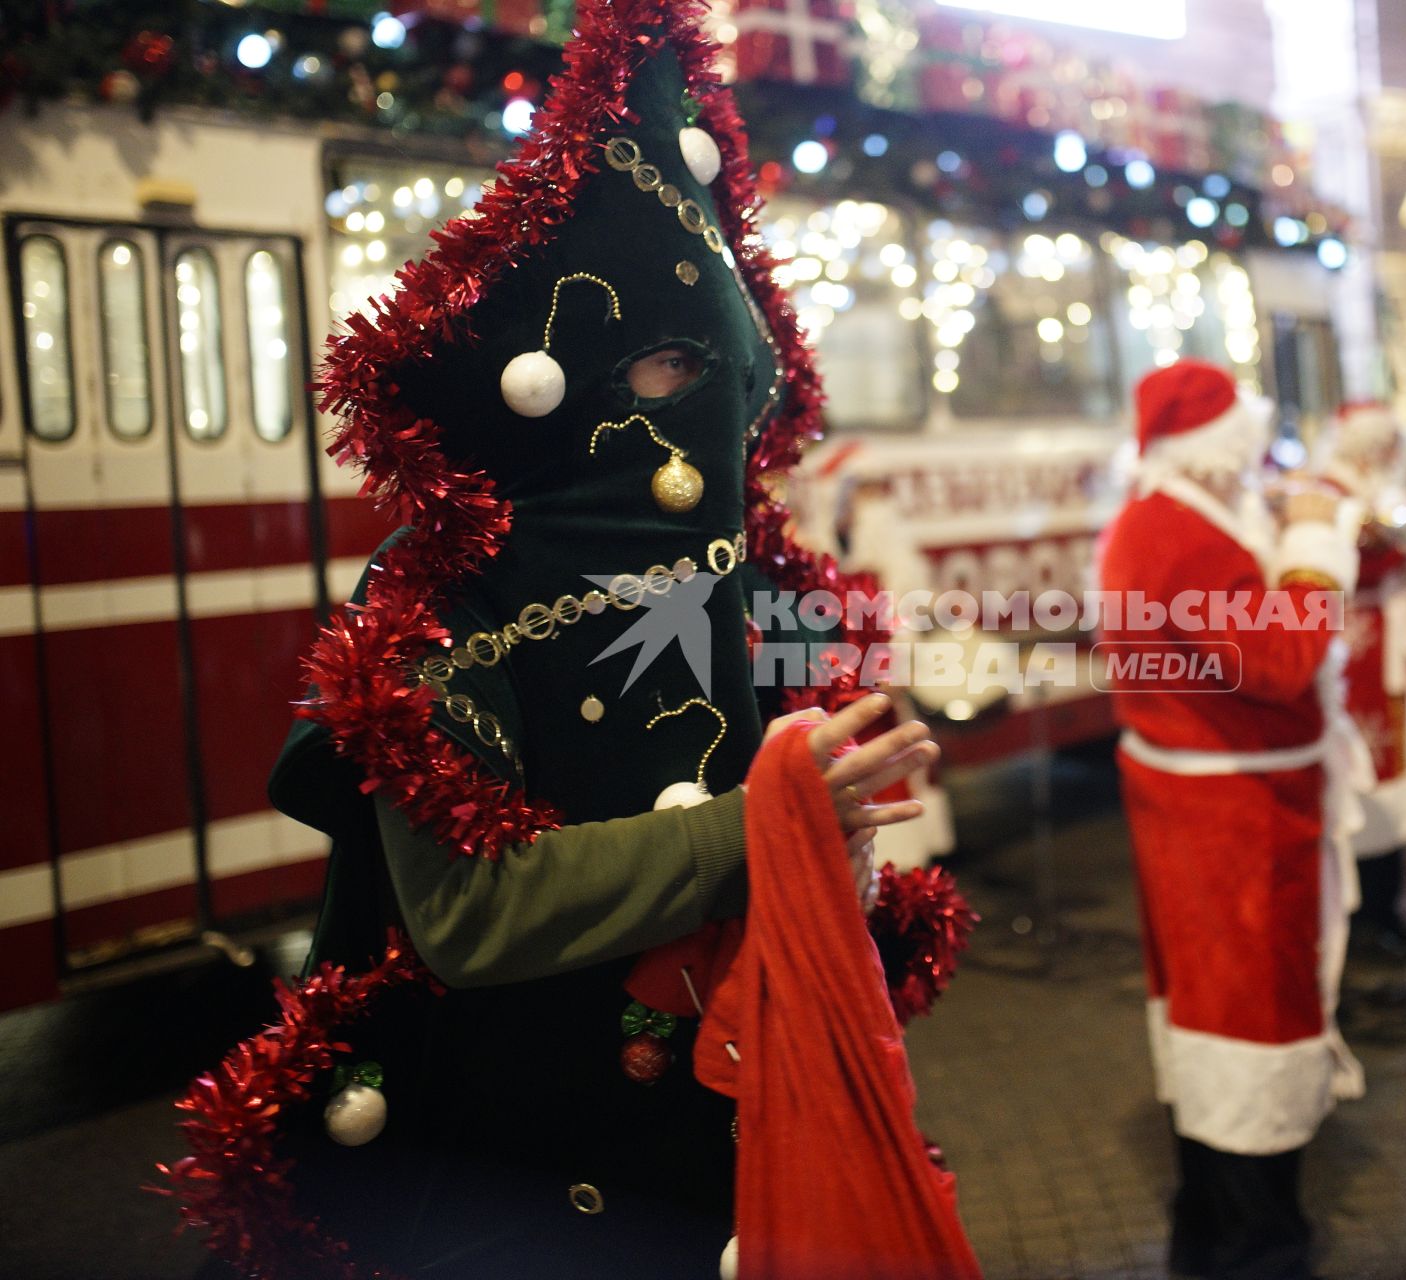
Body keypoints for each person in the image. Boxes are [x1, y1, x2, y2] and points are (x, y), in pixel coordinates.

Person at [161, 7, 977, 1277]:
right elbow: (469, 914)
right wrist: (768, 821)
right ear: (561, 370)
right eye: (662, 365)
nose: (707, 406)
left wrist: (846, 848)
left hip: (719, 1145)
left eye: (724, 372)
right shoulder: (443, 591)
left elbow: (829, 837)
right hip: (503, 1169)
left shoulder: (768, 578)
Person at [1099, 360, 1365, 1280]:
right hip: (1235, 820)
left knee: (1216, 1016)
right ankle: (1260, 1247)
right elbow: (1283, 658)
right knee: (1252, 1018)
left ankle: (1211, 1231)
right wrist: (1314, 546)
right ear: (1219, 447)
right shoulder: (1178, 531)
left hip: (1209, 804)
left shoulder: (1168, 516)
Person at [1315, 403, 1406, 957]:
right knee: (1366, 775)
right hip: (1355, 648)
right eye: (1383, 445)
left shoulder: (1386, 490)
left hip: (1388, 643)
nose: (1389, 455)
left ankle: (1389, 909)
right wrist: (1392, 545)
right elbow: (1346, 567)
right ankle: (1365, 922)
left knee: (1400, 767)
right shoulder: (1325, 490)